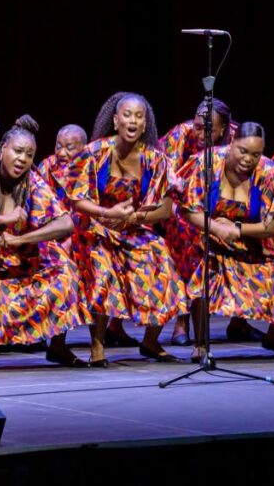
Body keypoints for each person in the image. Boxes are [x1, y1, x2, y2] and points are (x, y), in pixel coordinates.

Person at [0, 116, 84, 369]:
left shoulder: (32, 182)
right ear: (2, 151)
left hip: (21, 258)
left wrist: (22, 238)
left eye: (29, 154)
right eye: (18, 151)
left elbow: (66, 223)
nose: (23, 159)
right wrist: (3, 218)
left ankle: (57, 347)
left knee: (65, 270)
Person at [67, 93, 189, 366]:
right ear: (115, 120)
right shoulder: (95, 152)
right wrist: (107, 214)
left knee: (163, 263)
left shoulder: (156, 160)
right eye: (127, 115)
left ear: (145, 124)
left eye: (139, 116)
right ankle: (97, 345)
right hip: (96, 231)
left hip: (133, 230)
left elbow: (165, 210)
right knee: (102, 268)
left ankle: (150, 341)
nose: (132, 121)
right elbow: (76, 200)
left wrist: (132, 218)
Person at [177, 122, 274, 361]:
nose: (249, 159)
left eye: (256, 154)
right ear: (231, 145)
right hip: (209, 233)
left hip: (250, 238)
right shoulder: (205, 163)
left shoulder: (270, 172)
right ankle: (201, 344)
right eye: (243, 151)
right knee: (203, 263)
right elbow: (188, 210)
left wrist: (238, 230)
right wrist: (217, 227)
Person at [160, 98, 260, 346]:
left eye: (208, 130)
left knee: (251, 243)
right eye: (196, 126)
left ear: (224, 128)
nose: (199, 133)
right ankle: (182, 321)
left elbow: (253, 177)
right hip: (183, 206)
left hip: (225, 207)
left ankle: (239, 319)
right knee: (188, 236)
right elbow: (168, 180)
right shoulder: (179, 136)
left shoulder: (238, 138)